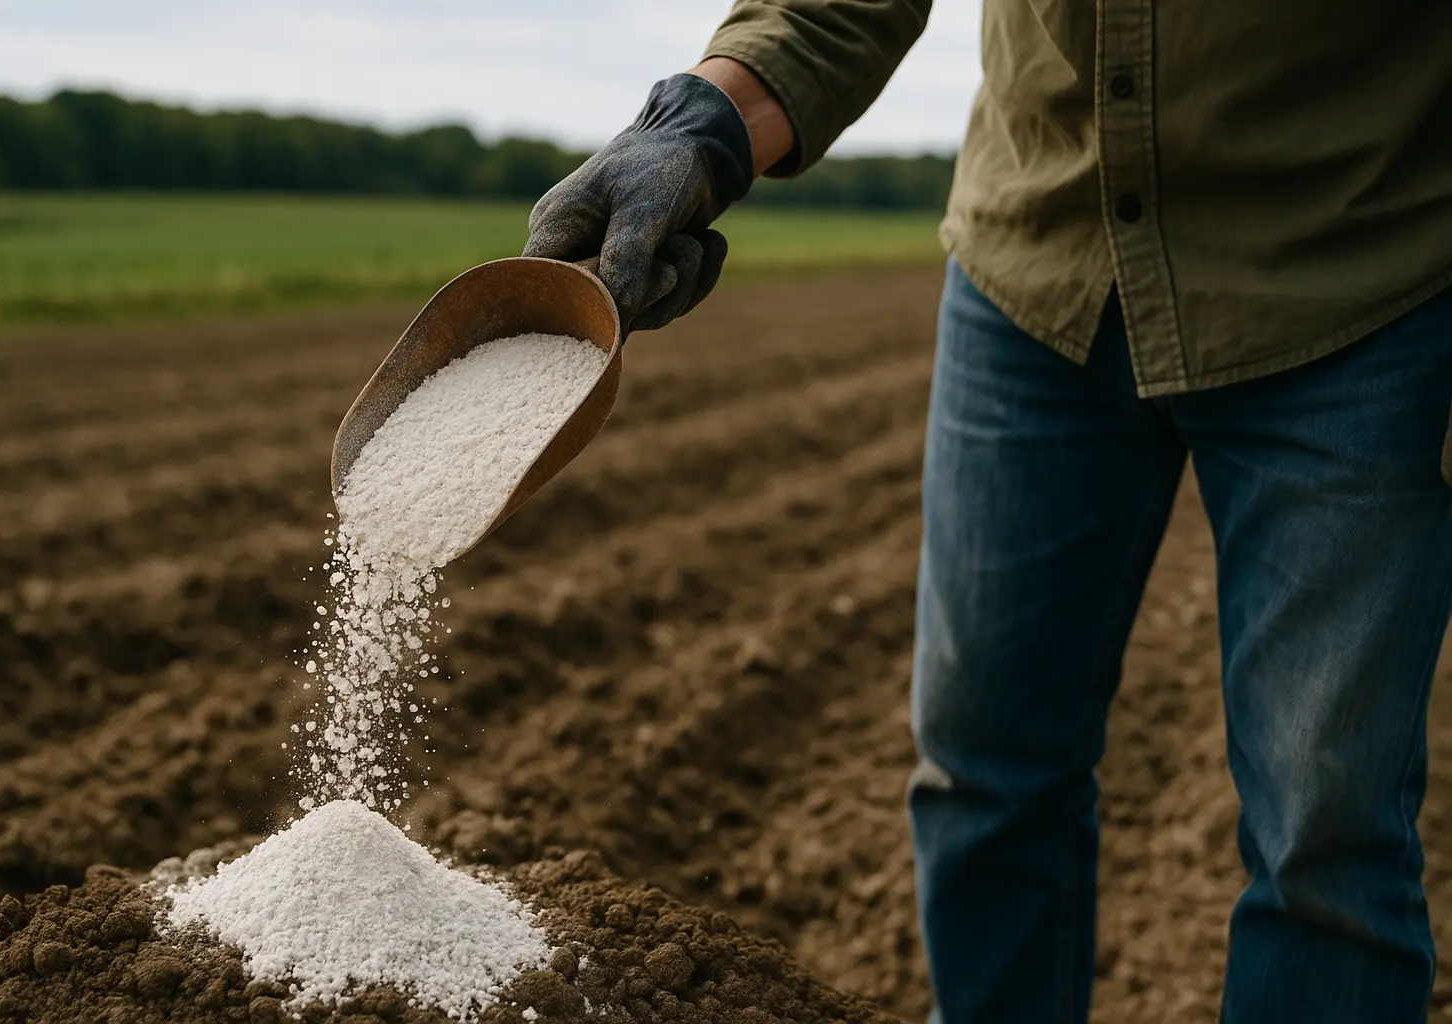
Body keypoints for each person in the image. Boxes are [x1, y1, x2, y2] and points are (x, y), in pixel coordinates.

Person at [522, 2, 1452, 1020]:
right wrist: (700, 125)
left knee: (1328, 829)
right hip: (1040, 261)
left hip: (1357, 279)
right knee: (984, 773)